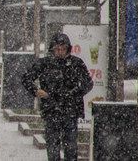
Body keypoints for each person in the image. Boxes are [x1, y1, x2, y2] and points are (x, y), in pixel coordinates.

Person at [22, 33, 93, 161]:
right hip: (51, 110)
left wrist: (73, 93)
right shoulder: (44, 63)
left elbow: (88, 83)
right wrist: (37, 91)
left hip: (70, 111)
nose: (60, 52)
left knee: (71, 148)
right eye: (57, 49)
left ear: (68, 49)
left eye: (63, 48)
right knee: (53, 149)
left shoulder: (76, 63)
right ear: (52, 49)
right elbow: (26, 78)